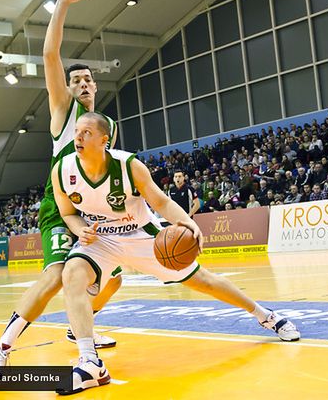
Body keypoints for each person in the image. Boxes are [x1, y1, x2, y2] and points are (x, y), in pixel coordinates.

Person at [52, 112, 300, 395]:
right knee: (71, 274)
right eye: (77, 132)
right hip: (101, 239)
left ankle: (265, 315)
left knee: (202, 280)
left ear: (103, 140)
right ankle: (90, 362)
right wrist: (80, 228)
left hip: (141, 236)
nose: (78, 137)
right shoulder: (62, 170)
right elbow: (68, 213)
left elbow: (160, 200)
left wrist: (188, 222)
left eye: (86, 132)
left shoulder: (128, 165)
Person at [0, 0, 121, 369]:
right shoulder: (63, 110)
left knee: (113, 279)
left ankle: (79, 327)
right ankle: (3, 347)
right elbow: (49, 54)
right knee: (58, 273)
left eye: (87, 79)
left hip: (96, 207)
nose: (82, 84)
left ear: (95, 85)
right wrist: (61, 5)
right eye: (75, 80)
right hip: (60, 203)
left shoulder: (106, 123)